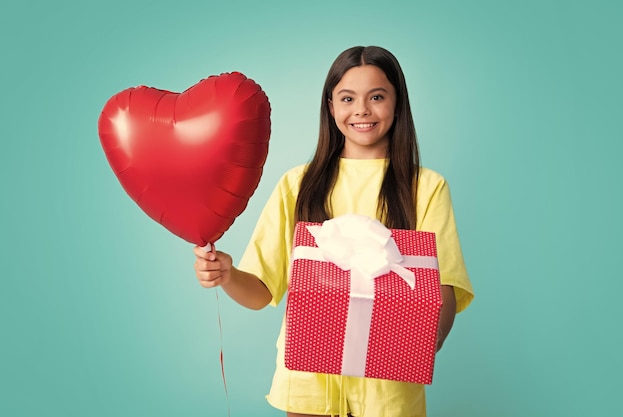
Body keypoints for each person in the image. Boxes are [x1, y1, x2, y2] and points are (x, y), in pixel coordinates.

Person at [193, 45, 474, 417]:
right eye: (347, 98)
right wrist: (227, 275)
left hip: (388, 390)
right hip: (308, 385)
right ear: (330, 106)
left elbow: (443, 287)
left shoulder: (425, 187)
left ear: (398, 103)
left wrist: (420, 343)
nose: (361, 110)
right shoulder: (298, 185)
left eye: (377, 97)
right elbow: (261, 290)